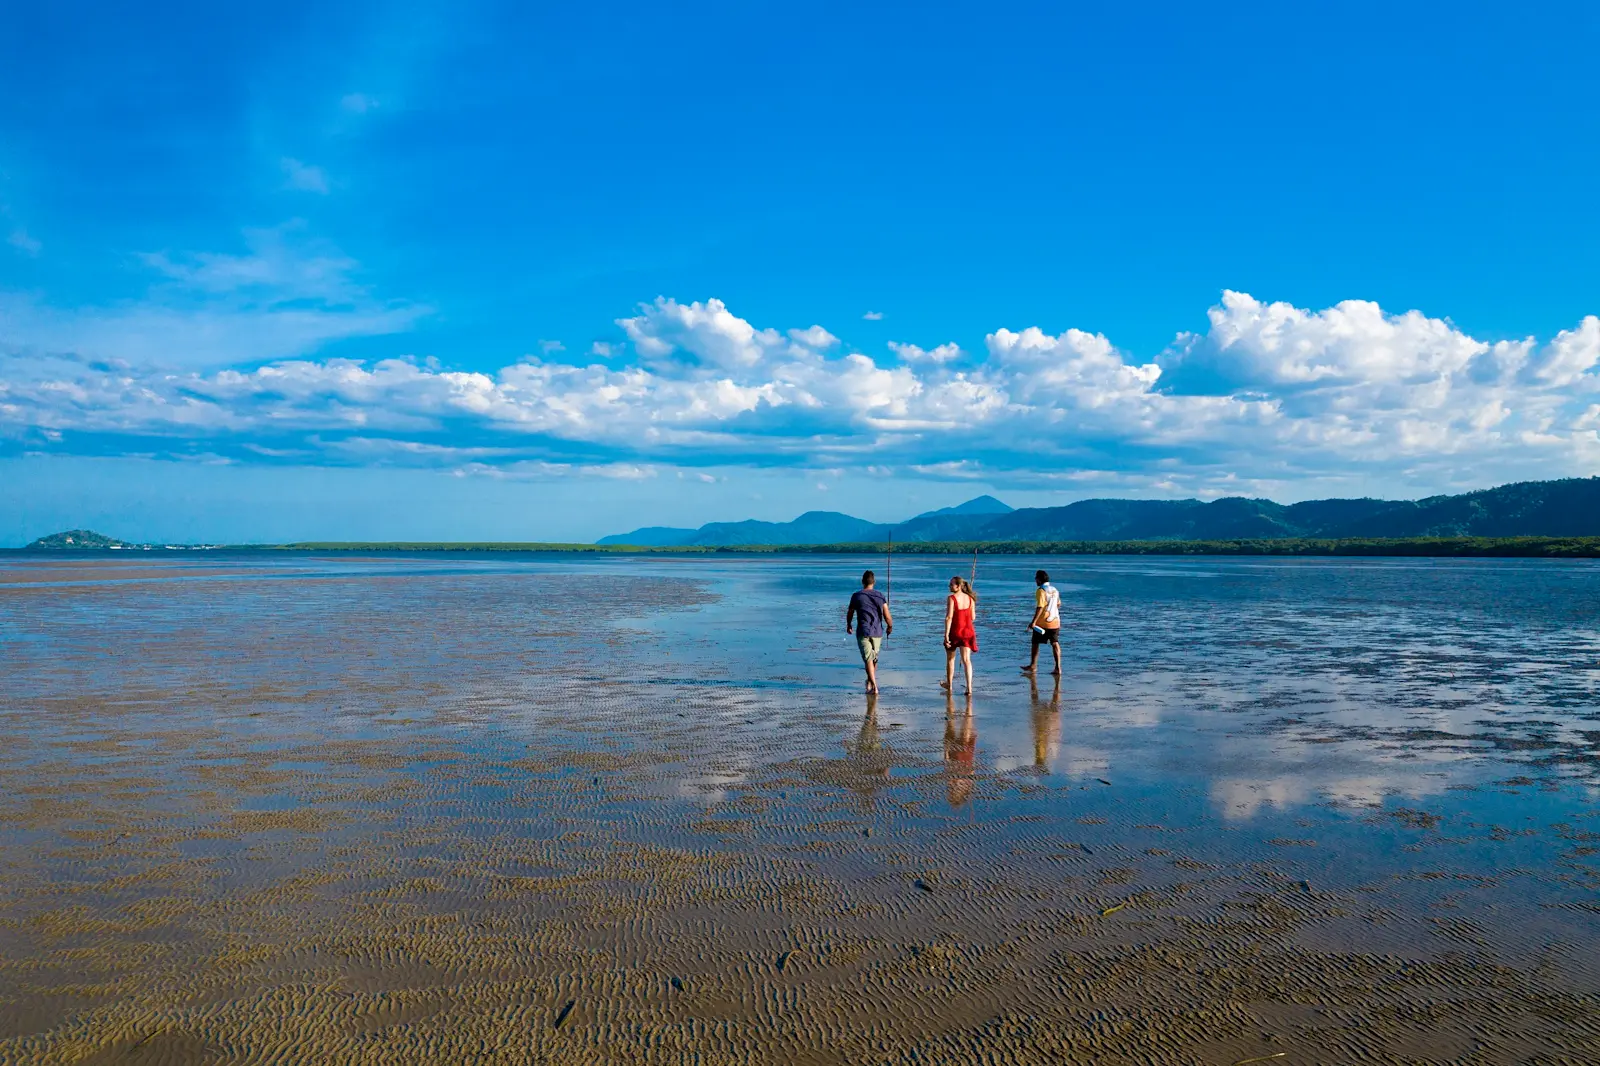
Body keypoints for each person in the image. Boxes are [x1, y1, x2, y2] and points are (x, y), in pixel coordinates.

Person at [845, 569, 893, 693]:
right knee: (873, 659)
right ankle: (870, 683)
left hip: (863, 632)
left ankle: (874, 686)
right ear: (874, 582)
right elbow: (887, 615)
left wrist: (849, 624)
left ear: (862, 582)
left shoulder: (856, 596)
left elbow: (850, 612)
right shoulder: (880, 596)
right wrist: (890, 626)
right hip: (877, 632)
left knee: (869, 659)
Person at [1020, 569, 1062, 676]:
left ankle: (1033, 665)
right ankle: (1058, 668)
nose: (1035, 580)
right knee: (1055, 643)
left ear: (1039, 579)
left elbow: (1040, 607)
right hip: (1055, 621)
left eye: (1036, 578)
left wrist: (1033, 622)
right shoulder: (1054, 590)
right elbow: (1058, 604)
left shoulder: (1041, 591)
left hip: (1042, 622)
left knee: (1035, 642)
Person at [941, 575, 977, 693]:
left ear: (958, 586)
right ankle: (969, 688)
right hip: (968, 632)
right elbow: (973, 617)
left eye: (951, 584)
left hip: (955, 631)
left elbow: (949, 617)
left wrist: (946, 634)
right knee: (967, 660)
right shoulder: (971, 599)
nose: (949, 586)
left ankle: (950, 685)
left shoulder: (951, 598)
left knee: (951, 659)